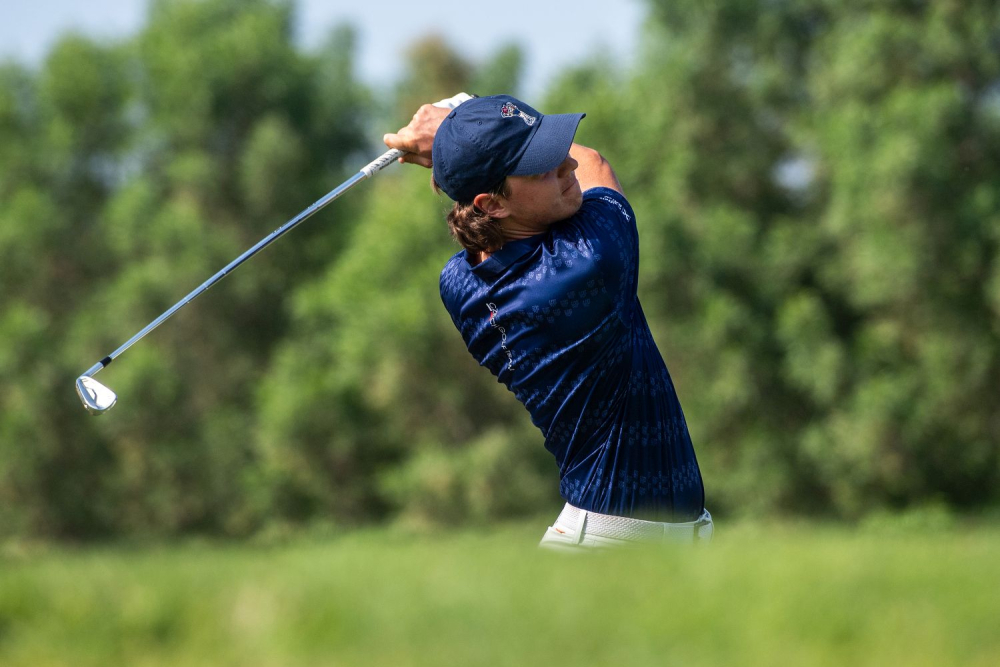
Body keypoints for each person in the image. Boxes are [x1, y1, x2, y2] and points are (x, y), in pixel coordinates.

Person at [384, 94, 713, 549]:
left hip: (610, 537)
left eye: (557, 151)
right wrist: (452, 128)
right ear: (493, 204)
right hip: (611, 548)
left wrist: (463, 142)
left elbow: (490, 218)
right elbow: (595, 161)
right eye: (542, 166)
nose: (568, 168)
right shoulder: (588, 264)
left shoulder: (458, 283)